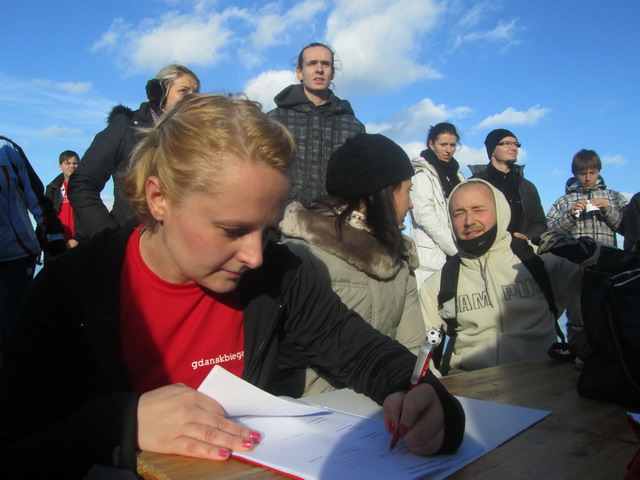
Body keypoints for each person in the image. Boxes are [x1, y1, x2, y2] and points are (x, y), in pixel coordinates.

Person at [0, 94, 465, 479]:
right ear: (159, 198)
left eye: (267, 228)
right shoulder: (69, 290)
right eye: (231, 230)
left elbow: (362, 352)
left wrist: (425, 395)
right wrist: (119, 423)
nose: (256, 255)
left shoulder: (279, 275)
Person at [276, 133, 426, 397]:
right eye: (407, 191)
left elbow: (411, 348)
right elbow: (285, 365)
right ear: (382, 194)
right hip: (311, 418)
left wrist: (416, 399)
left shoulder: (400, 260)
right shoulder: (302, 258)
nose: (410, 204)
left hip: (384, 412)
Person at [419, 179, 600, 373]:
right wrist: (437, 389)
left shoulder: (539, 261)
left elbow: (615, 281)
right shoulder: (438, 284)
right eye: (459, 213)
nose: (469, 220)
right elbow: (419, 350)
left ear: (500, 210)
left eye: (478, 209)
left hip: (543, 382)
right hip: (470, 390)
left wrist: (588, 254)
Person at [68, 63, 200, 239]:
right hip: (133, 246)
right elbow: (82, 183)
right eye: (184, 91)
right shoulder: (126, 127)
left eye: (196, 93)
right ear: (159, 93)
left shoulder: (197, 140)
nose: (192, 98)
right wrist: (113, 238)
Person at [546, 149, 628, 358]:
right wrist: (572, 215)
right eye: (583, 173)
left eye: (592, 172)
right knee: (578, 320)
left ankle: (613, 362)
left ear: (599, 171)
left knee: (610, 316)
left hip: (607, 269)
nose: (588, 177)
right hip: (576, 270)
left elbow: (629, 229)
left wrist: (608, 211)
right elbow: (549, 233)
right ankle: (579, 362)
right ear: (575, 174)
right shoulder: (563, 201)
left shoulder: (614, 197)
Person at [267, 42, 365, 207]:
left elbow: (359, 181)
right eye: (312, 63)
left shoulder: (353, 126)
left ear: (332, 73)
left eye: (325, 64)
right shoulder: (274, 121)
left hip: (335, 222)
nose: (319, 69)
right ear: (299, 72)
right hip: (283, 222)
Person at [0, 136, 65, 347]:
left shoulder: (7, 149)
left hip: (16, 256)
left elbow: (35, 196)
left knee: (15, 330)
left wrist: (54, 236)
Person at [409, 122, 465, 288]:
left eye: (453, 145)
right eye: (443, 144)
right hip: (431, 257)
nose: (448, 150)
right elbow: (424, 215)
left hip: (458, 253)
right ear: (431, 144)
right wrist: (455, 248)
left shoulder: (458, 176)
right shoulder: (421, 173)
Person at [468, 129, 546, 240]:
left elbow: (540, 223)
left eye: (516, 144)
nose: (513, 148)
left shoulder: (527, 187)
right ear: (492, 150)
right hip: (486, 249)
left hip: (521, 251)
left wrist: (528, 236)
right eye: (506, 144)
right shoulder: (475, 185)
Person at [44, 150, 81, 259]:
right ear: (60, 166)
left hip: (79, 241)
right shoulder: (52, 188)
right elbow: (44, 216)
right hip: (56, 243)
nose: (72, 166)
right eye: (68, 163)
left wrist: (78, 238)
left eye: (75, 163)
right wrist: (40, 242)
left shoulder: (86, 188)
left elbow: (90, 216)